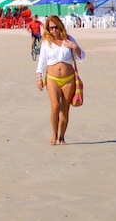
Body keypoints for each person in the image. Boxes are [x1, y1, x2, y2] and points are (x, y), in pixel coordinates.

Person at [36, 15, 86, 146]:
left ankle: (62, 137)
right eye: (51, 28)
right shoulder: (46, 42)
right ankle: (54, 134)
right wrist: (39, 77)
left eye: (56, 27)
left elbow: (82, 56)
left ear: (60, 27)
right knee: (55, 107)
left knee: (64, 109)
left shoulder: (69, 39)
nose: (53, 31)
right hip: (52, 79)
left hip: (68, 79)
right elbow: (42, 60)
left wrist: (74, 47)